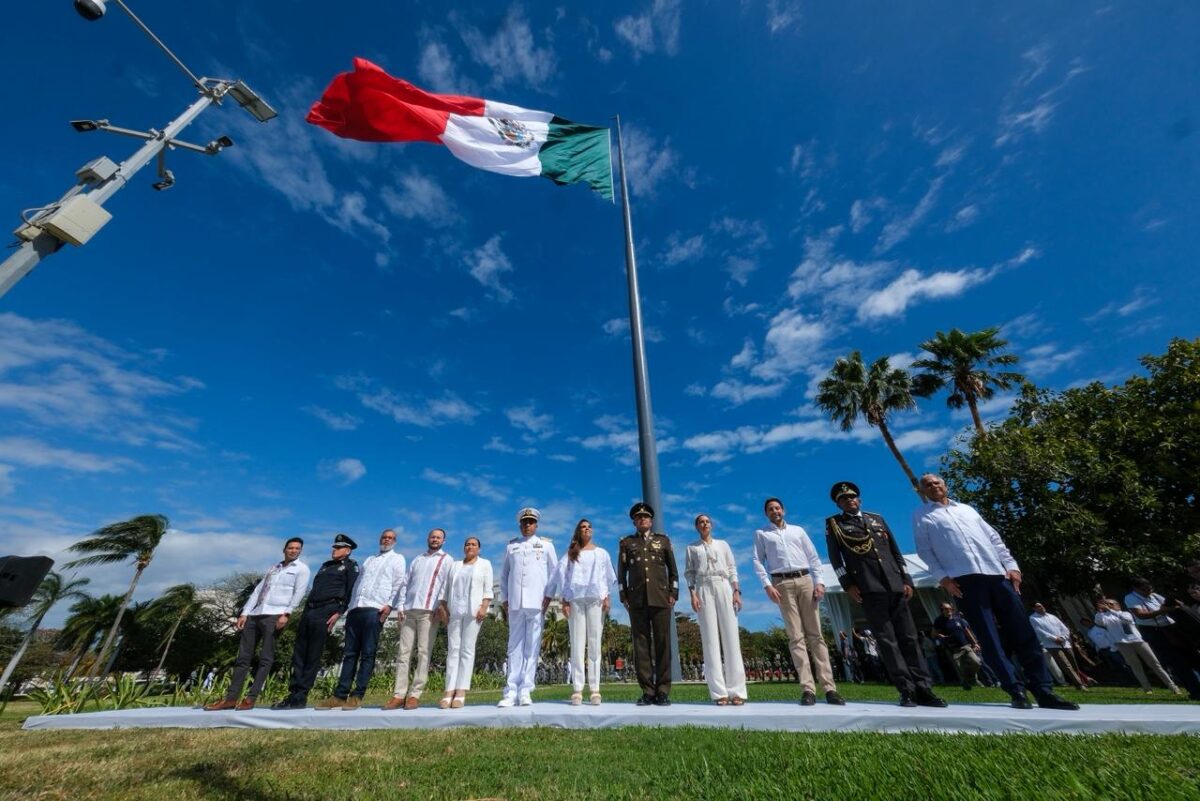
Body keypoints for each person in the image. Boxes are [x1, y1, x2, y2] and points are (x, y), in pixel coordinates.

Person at [913, 473, 1077, 711]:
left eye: (937, 482)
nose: (933, 486)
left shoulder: (967, 510)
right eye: (928, 485)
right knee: (988, 637)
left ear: (944, 485)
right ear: (922, 491)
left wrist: (1011, 566)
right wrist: (943, 578)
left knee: (1023, 632)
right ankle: (1015, 689)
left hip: (997, 574)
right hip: (964, 579)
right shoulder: (921, 516)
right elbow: (925, 550)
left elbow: (994, 538)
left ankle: (1043, 689)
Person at [825, 481, 945, 707]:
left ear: (859, 500)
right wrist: (847, 584)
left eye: (852, 497)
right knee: (887, 640)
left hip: (895, 584)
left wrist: (906, 579)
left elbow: (895, 552)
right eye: (843, 499)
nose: (849, 500)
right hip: (868, 586)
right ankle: (906, 689)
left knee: (909, 637)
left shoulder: (876, 519)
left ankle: (924, 688)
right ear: (838, 504)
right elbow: (835, 559)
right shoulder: (835, 524)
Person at [753, 496, 845, 706]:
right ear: (766, 514)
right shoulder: (762, 534)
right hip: (781, 583)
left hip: (805, 580)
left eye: (777, 508)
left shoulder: (798, 531)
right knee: (795, 637)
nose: (774, 511)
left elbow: (813, 557)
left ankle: (829, 688)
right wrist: (767, 585)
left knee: (816, 635)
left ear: (783, 510)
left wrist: (819, 582)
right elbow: (758, 560)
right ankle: (808, 689)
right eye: (770, 509)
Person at [205, 537, 311, 711]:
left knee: (265, 657)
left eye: (297, 549)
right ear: (284, 549)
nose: (294, 551)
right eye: (291, 548)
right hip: (256, 614)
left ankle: (251, 698)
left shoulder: (302, 569)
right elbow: (258, 591)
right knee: (243, 657)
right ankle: (230, 698)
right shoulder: (274, 568)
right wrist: (245, 613)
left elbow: (299, 593)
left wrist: (287, 613)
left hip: (275, 615)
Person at [318, 529, 406, 710]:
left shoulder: (398, 559)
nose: (386, 540)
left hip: (375, 609)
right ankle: (339, 695)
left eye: (390, 538)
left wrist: (389, 605)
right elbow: (358, 583)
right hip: (356, 608)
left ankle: (357, 695)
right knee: (349, 653)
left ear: (395, 541)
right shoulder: (369, 559)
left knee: (367, 653)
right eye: (384, 537)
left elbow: (398, 584)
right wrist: (350, 607)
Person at [273, 533, 359, 710]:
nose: (334, 550)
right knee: (299, 653)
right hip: (310, 609)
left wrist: (339, 613)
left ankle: (301, 695)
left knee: (313, 654)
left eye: (338, 548)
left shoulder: (351, 567)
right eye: (334, 547)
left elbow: (351, 591)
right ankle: (293, 693)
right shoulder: (325, 566)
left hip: (327, 611)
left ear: (348, 550)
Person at [618, 502, 679, 706]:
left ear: (651, 521)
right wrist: (623, 596)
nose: (642, 519)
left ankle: (662, 690)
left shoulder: (663, 542)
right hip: (637, 600)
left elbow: (673, 570)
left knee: (663, 644)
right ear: (634, 522)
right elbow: (622, 573)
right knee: (641, 646)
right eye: (638, 517)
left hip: (660, 598)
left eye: (645, 517)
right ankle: (647, 691)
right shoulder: (627, 543)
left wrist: (674, 592)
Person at [551, 518, 617, 705]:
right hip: (576, 601)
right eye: (583, 527)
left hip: (595, 600)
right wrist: (564, 600)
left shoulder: (602, 553)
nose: (586, 529)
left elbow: (606, 577)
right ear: (578, 531)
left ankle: (595, 689)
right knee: (577, 644)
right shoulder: (571, 554)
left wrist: (607, 597)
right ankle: (578, 689)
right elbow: (562, 577)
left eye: (589, 527)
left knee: (594, 643)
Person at [384, 528, 451, 710]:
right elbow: (406, 582)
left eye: (438, 537)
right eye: (432, 537)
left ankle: (415, 694)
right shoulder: (418, 559)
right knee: (403, 653)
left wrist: (441, 607)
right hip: (409, 611)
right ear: (428, 538)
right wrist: (401, 606)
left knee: (423, 653)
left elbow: (446, 586)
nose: (435, 539)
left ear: (443, 541)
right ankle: (399, 694)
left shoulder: (447, 560)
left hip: (429, 612)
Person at [685, 513, 748, 705]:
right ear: (697, 527)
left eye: (707, 522)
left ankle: (736, 691)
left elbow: (732, 568)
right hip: (703, 587)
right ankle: (719, 692)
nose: (704, 524)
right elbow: (689, 573)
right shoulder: (692, 548)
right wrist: (693, 594)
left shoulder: (723, 545)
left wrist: (736, 591)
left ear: (711, 525)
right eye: (701, 522)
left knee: (731, 637)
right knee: (710, 639)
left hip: (723, 585)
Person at [497, 508, 556, 707]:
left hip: (537, 602)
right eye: (524, 522)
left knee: (532, 646)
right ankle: (510, 690)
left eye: (530, 522)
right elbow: (504, 575)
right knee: (514, 646)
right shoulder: (511, 547)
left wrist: (549, 596)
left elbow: (555, 574)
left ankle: (526, 689)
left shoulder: (546, 545)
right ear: (520, 525)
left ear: (536, 525)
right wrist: (505, 599)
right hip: (515, 602)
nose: (527, 525)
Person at [1124, 578, 1200, 700]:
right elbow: (1140, 615)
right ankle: (1196, 692)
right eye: (1144, 589)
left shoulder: (1154, 596)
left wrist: (1176, 604)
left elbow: (1170, 605)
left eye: (1149, 588)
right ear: (1136, 588)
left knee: (1193, 657)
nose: (1148, 591)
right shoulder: (1130, 598)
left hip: (1171, 628)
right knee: (1178, 663)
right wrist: (1161, 611)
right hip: (1155, 632)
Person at [439, 536, 493, 708]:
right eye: (467, 544)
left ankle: (461, 691)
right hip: (454, 611)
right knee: (453, 649)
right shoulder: (455, 565)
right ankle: (449, 690)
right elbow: (445, 589)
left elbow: (488, 588)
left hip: (474, 611)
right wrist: (443, 608)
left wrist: (484, 607)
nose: (470, 547)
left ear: (479, 548)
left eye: (474, 544)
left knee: (467, 650)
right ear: (464, 548)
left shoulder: (485, 564)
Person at [1094, 597, 1181, 694]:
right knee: (1135, 666)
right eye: (1106, 604)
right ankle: (1147, 688)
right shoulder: (1105, 616)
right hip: (1122, 643)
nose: (1108, 605)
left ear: (1117, 605)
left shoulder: (1125, 613)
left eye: (1110, 604)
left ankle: (1173, 686)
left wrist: (1110, 610)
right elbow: (1098, 621)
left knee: (1155, 663)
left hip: (1138, 641)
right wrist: (1100, 610)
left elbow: (1126, 620)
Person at [1029, 602, 1087, 691]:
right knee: (1065, 664)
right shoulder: (1033, 618)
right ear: (1034, 609)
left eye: (1042, 606)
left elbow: (1064, 628)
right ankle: (1079, 684)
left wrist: (1063, 637)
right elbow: (1039, 631)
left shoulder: (1052, 616)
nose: (1041, 608)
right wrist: (1054, 638)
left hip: (1064, 643)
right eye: (1038, 607)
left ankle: (1081, 681)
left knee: (1073, 662)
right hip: (1051, 644)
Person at [932, 602, 982, 688]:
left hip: (965, 645)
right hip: (953, 649)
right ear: (942, 610)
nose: (949, 610)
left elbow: (967, 631)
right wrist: (940, 635)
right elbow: (933, 634)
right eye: (946, 609)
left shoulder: (957, 618)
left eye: (950, 609)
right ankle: (968, 683)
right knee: (960, 669)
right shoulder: (938, 621)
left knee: (977, 662)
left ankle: (972, 678)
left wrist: (975, 643)